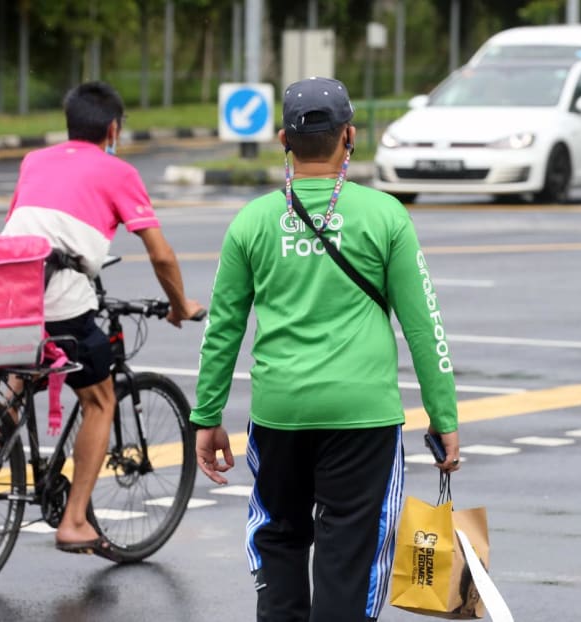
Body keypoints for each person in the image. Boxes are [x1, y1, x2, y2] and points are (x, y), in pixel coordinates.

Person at [189, 76, 460, 622]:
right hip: (362, 420)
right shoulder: (386, 216)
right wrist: (443, 414)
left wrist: (207, 415)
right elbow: (423, 324)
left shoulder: (252, 221)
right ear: (350, 136)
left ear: (284, 142)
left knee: (281, 540)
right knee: (349, 560)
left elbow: (223, 327)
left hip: (279, 414)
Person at [1, 80, 204, 561]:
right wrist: (179, 304)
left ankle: (2, 414)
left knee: (32, 342)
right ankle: (73, 522)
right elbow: (161, 255)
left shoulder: (35, 161)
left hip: (4, 296)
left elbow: (25, 231)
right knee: (99, 397)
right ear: (112, 129)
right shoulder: (118, 172)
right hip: (60, 302)